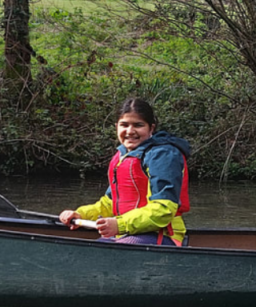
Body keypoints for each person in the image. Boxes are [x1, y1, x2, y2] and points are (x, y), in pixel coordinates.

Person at [59, 98, 191, 245]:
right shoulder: (122, 156)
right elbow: (110, 203)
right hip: (127, 232)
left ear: (151, 128)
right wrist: (81, 214)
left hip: (163, 235)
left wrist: (119, 224)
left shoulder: (163, 155)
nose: (130, 131)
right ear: (116, 127)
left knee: (106, 253)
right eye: (124, 125)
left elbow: (164, 209)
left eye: (138, 125)